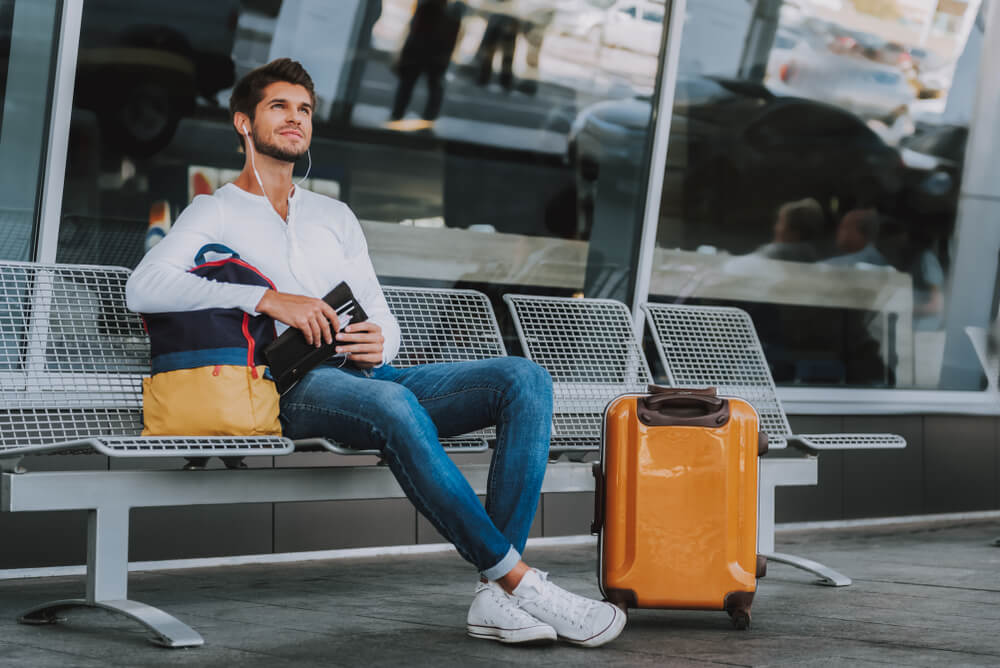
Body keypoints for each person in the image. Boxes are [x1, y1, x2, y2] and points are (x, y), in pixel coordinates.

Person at [125, 58, 626, 648]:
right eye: (279, 107)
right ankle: (518, 581)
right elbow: (144, 287)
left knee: (523, 379)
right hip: (292, 386)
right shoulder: (217, 208)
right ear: (243, 122)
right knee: (391, 402)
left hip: (368, 372)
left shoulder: (333, 216)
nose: (295, 119)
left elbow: (380, 313)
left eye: (304, 109)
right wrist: (268, 299)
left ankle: (495, 600)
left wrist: (379, 336)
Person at [389, 0, 462, 128]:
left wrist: (405, 53)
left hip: (419, 51)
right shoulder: (452, 12)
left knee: (409, 83)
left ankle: (399, 113)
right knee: (432, 85)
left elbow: (414, 30)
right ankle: (428, 118)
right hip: (436, 54)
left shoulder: (427, 8)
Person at [752, 198, 824, 262]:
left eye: (781, 222)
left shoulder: (773, 253)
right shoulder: (813, 254)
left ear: (795, 233)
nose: (775, 228)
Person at [824, 208, 889, 267]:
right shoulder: (881, 258)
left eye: (843, 227)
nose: (838, 231)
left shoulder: (841, 265)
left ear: (859, 232)